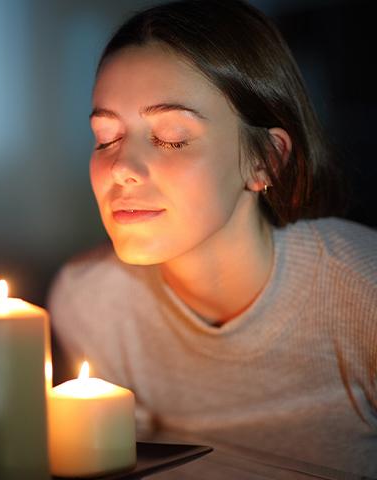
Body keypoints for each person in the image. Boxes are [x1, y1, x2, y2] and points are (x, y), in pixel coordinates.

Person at [48, 0, 377, 476]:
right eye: (106, 137)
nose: (121, 168)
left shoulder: (360, 295)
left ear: (265, 159)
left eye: (172, 137)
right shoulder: (90, 301)